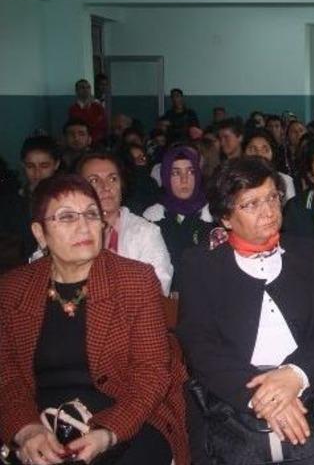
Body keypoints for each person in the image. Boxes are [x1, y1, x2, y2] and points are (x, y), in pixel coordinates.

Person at [176, 157, 314, 465]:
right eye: (251, 204)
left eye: (273, 197)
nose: (269, 211)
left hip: (310, 382)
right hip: (234, 391)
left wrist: (295, 376)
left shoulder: (311, 255)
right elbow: (200, 347)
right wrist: (263, 398)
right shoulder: (200, 266)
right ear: (226, 218)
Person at [0, 174, 189, 465]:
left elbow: (151, 373)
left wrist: (108, 433)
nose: (84, 226)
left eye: (91, 214)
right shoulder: (13, 290)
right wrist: (26, 429)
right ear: (39, 233)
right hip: (39, 418)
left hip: (127, 415)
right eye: (67, 217)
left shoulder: (135, 280)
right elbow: (6, 375)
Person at [75, 153, 173, 295]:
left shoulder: (146, 233)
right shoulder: (67, 232)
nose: (106, 187)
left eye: (113, 179)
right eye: (94, 180)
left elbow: (157, 290)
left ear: (121, 185)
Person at [142, 146, 214, 287]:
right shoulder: (152, 218)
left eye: (190, 172)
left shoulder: (213, 215)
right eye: (176, 173)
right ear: (165, 177)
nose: (184, 179)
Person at [243, 129, 297, 201]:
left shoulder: (285, 180)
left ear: (273, 153)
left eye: (265, 150)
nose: (259, 154)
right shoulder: (237, 181)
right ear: (243, 153)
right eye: (253, 149)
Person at [67, 79, 107, 145]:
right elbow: (81, 124)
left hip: (99, 142)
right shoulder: (73, 109)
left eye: (88, 87)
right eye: (82, 87)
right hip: (81, 143)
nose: (86, 90)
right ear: (77, 91)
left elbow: (103, 125)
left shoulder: (98, 107)